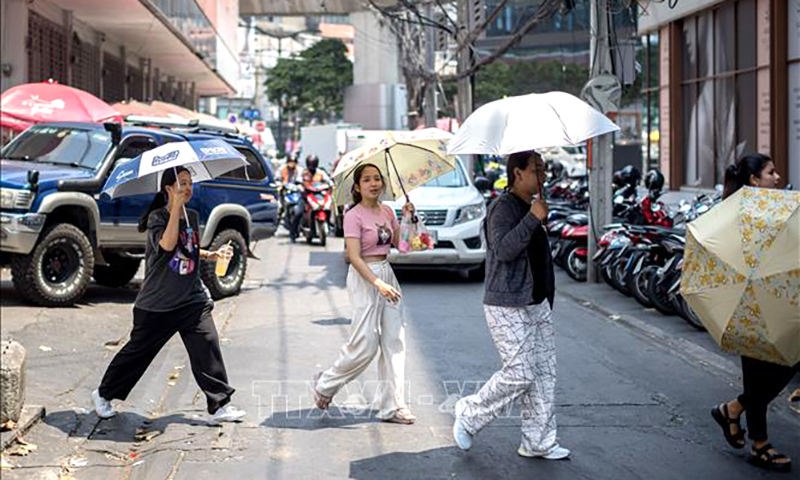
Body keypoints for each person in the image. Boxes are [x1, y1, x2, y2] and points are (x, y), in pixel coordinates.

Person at [91, 167, 246, 425]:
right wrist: (174, 209)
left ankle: (219, 405)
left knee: (207, 344)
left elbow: (188, 250)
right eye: (181, 184)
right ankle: (103, 393)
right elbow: (167, 245)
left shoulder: (192, 216)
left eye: (190, 183)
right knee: (137, 354)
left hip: (191, 300)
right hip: (158, 304)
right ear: (168, 190)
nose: (187, 188)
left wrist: (212, 255)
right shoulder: (157, 218)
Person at [453, 151, 570, 460]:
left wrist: (537, 217)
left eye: (544, 169)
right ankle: (469, 415)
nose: (543, 175)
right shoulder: (502, 208)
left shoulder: (533, 205)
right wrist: (533, 218)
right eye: (537, 170)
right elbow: (504, 250)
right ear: (518, 174)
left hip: (537, 302)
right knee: (520, 373)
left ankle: (538, 442)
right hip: (507, 303)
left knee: (544, 375)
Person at [311, 163, 417, 424]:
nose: (374, 183)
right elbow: (353, 257)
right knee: (366, 344)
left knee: (395, 341)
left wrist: (407, 219)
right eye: (367, 180)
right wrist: (376, 283)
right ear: (357, 187)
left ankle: (393, 406)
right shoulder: (353, 215)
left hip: (387, 274)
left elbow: (404, 246)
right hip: (363, 278)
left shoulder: (387, 211)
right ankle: (326, 384)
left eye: (377, 178)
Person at [711, 153, 796, 473]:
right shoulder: (740, 214)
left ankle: (733, 409)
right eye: (770, 172)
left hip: (775, 298)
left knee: (788, 360)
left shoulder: (777, 208)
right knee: (761, 370)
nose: (777, 177)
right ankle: (759, 444)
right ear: (754, 181)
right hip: (749, 302)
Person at [288, 155, 331, 242]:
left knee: (328, 207)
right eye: (311, 165)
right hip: (305, 196)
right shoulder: (303, 173)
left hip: (318, 196)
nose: (312, 167)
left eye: (314, 165)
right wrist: (299, 184)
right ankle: (293, 233)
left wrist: (330, 184)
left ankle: (329, 223)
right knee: (298, 213)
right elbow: (297, 180)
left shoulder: (321, 173)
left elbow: (329, 181)